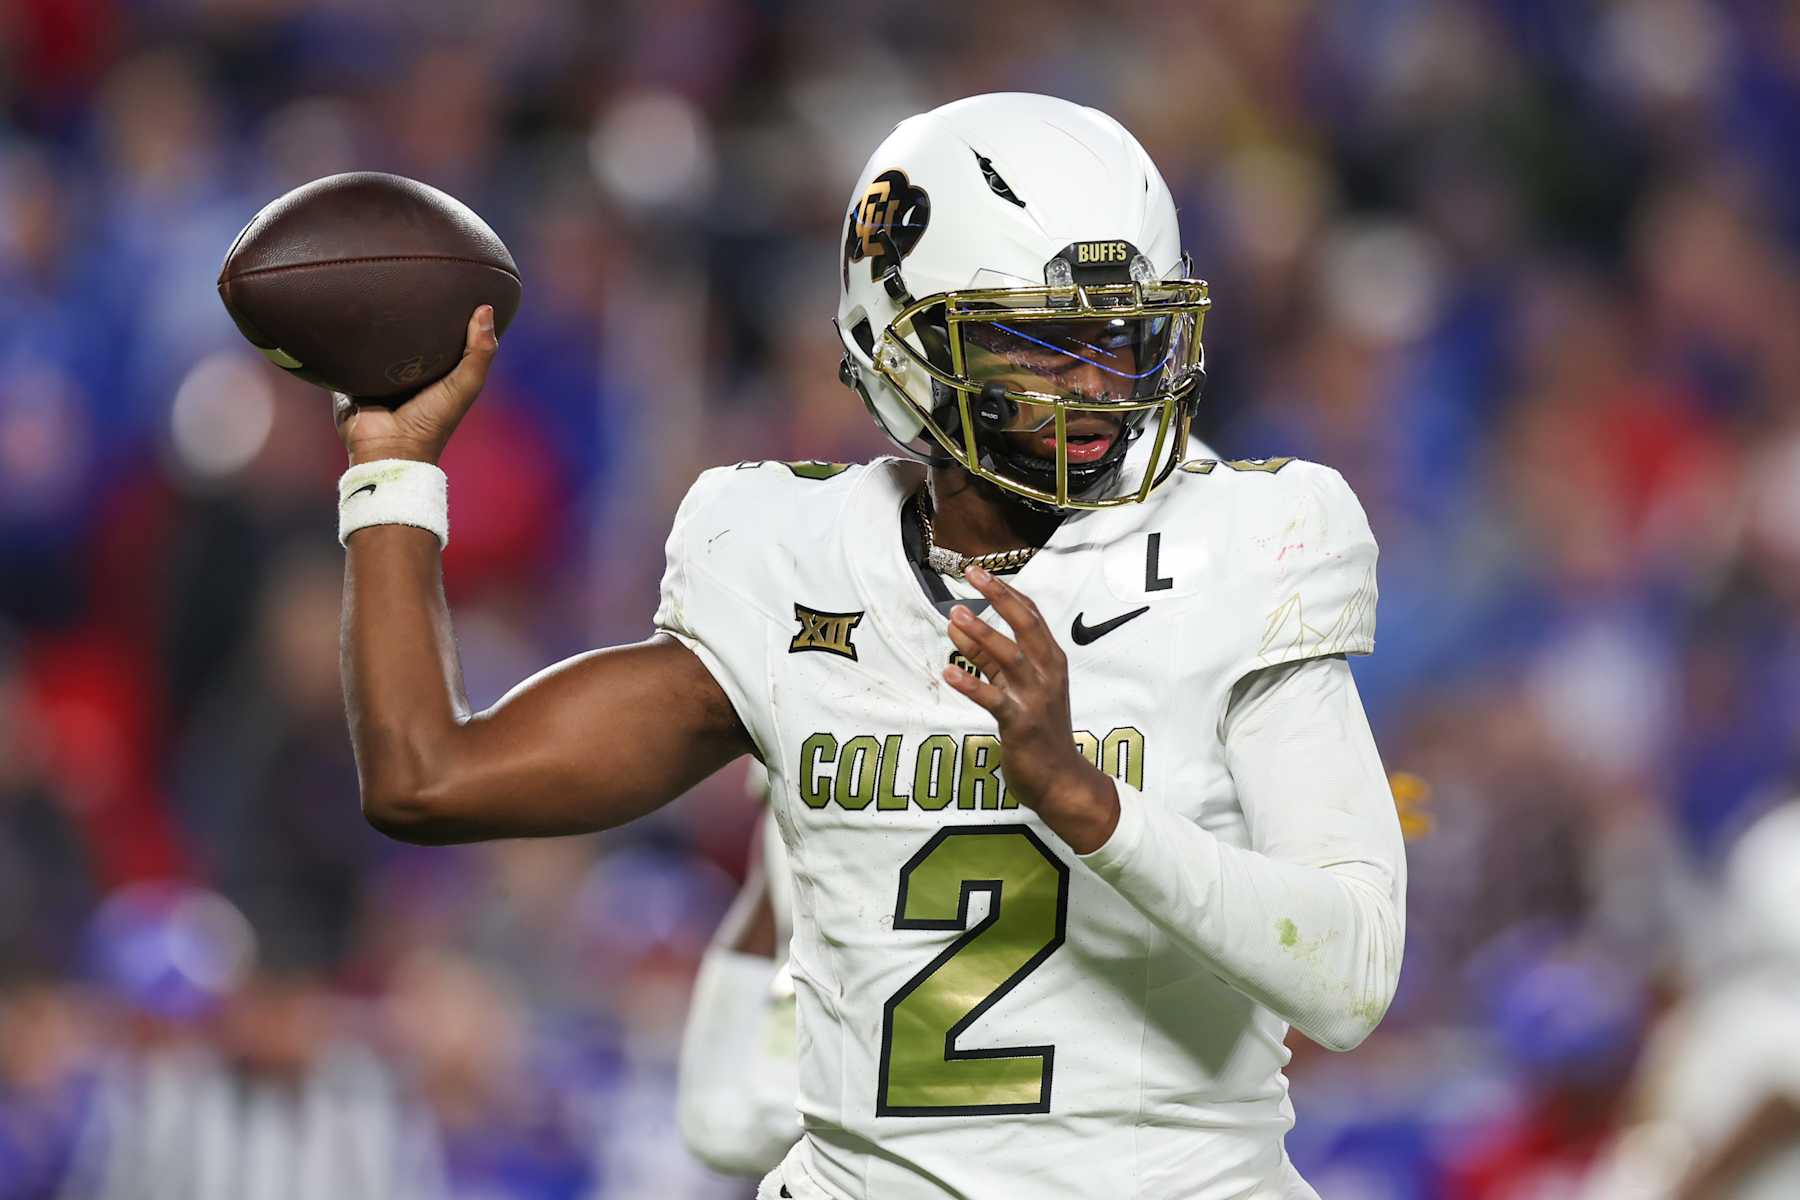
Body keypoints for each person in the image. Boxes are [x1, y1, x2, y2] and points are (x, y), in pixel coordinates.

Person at [334, 93, 1406, 1199]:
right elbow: (427, 778)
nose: (1098, 388)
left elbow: (1352, 972)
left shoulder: (1243, 547)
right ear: (897, 344)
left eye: (1121, 339)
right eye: (1044, 343)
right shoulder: (791, 558)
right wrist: (392, 468)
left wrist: (1085, 800)